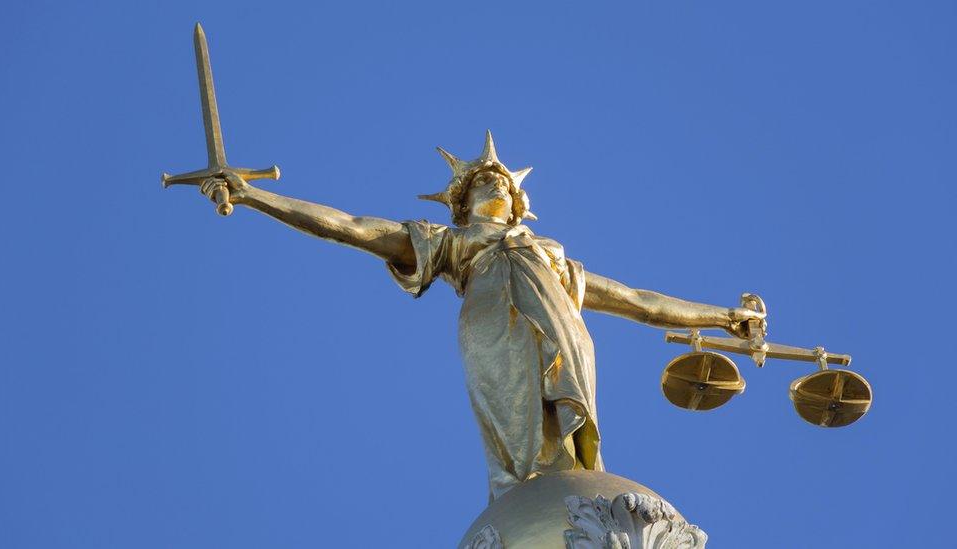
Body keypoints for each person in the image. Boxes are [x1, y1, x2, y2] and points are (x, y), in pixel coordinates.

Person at [197, 131, 765, 500]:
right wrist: (255, 197)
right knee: (517, 434)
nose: (492, 178)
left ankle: (573, 483)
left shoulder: (552, 256)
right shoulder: (452, 243)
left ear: (519, 200)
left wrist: (721, 318)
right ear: (462, 201)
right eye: (478, 180)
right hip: (495, 328)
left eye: (499, 178)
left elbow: (638, 301)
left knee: (571, 435)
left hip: (565, 331)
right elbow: (352, 227)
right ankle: (527, 497)